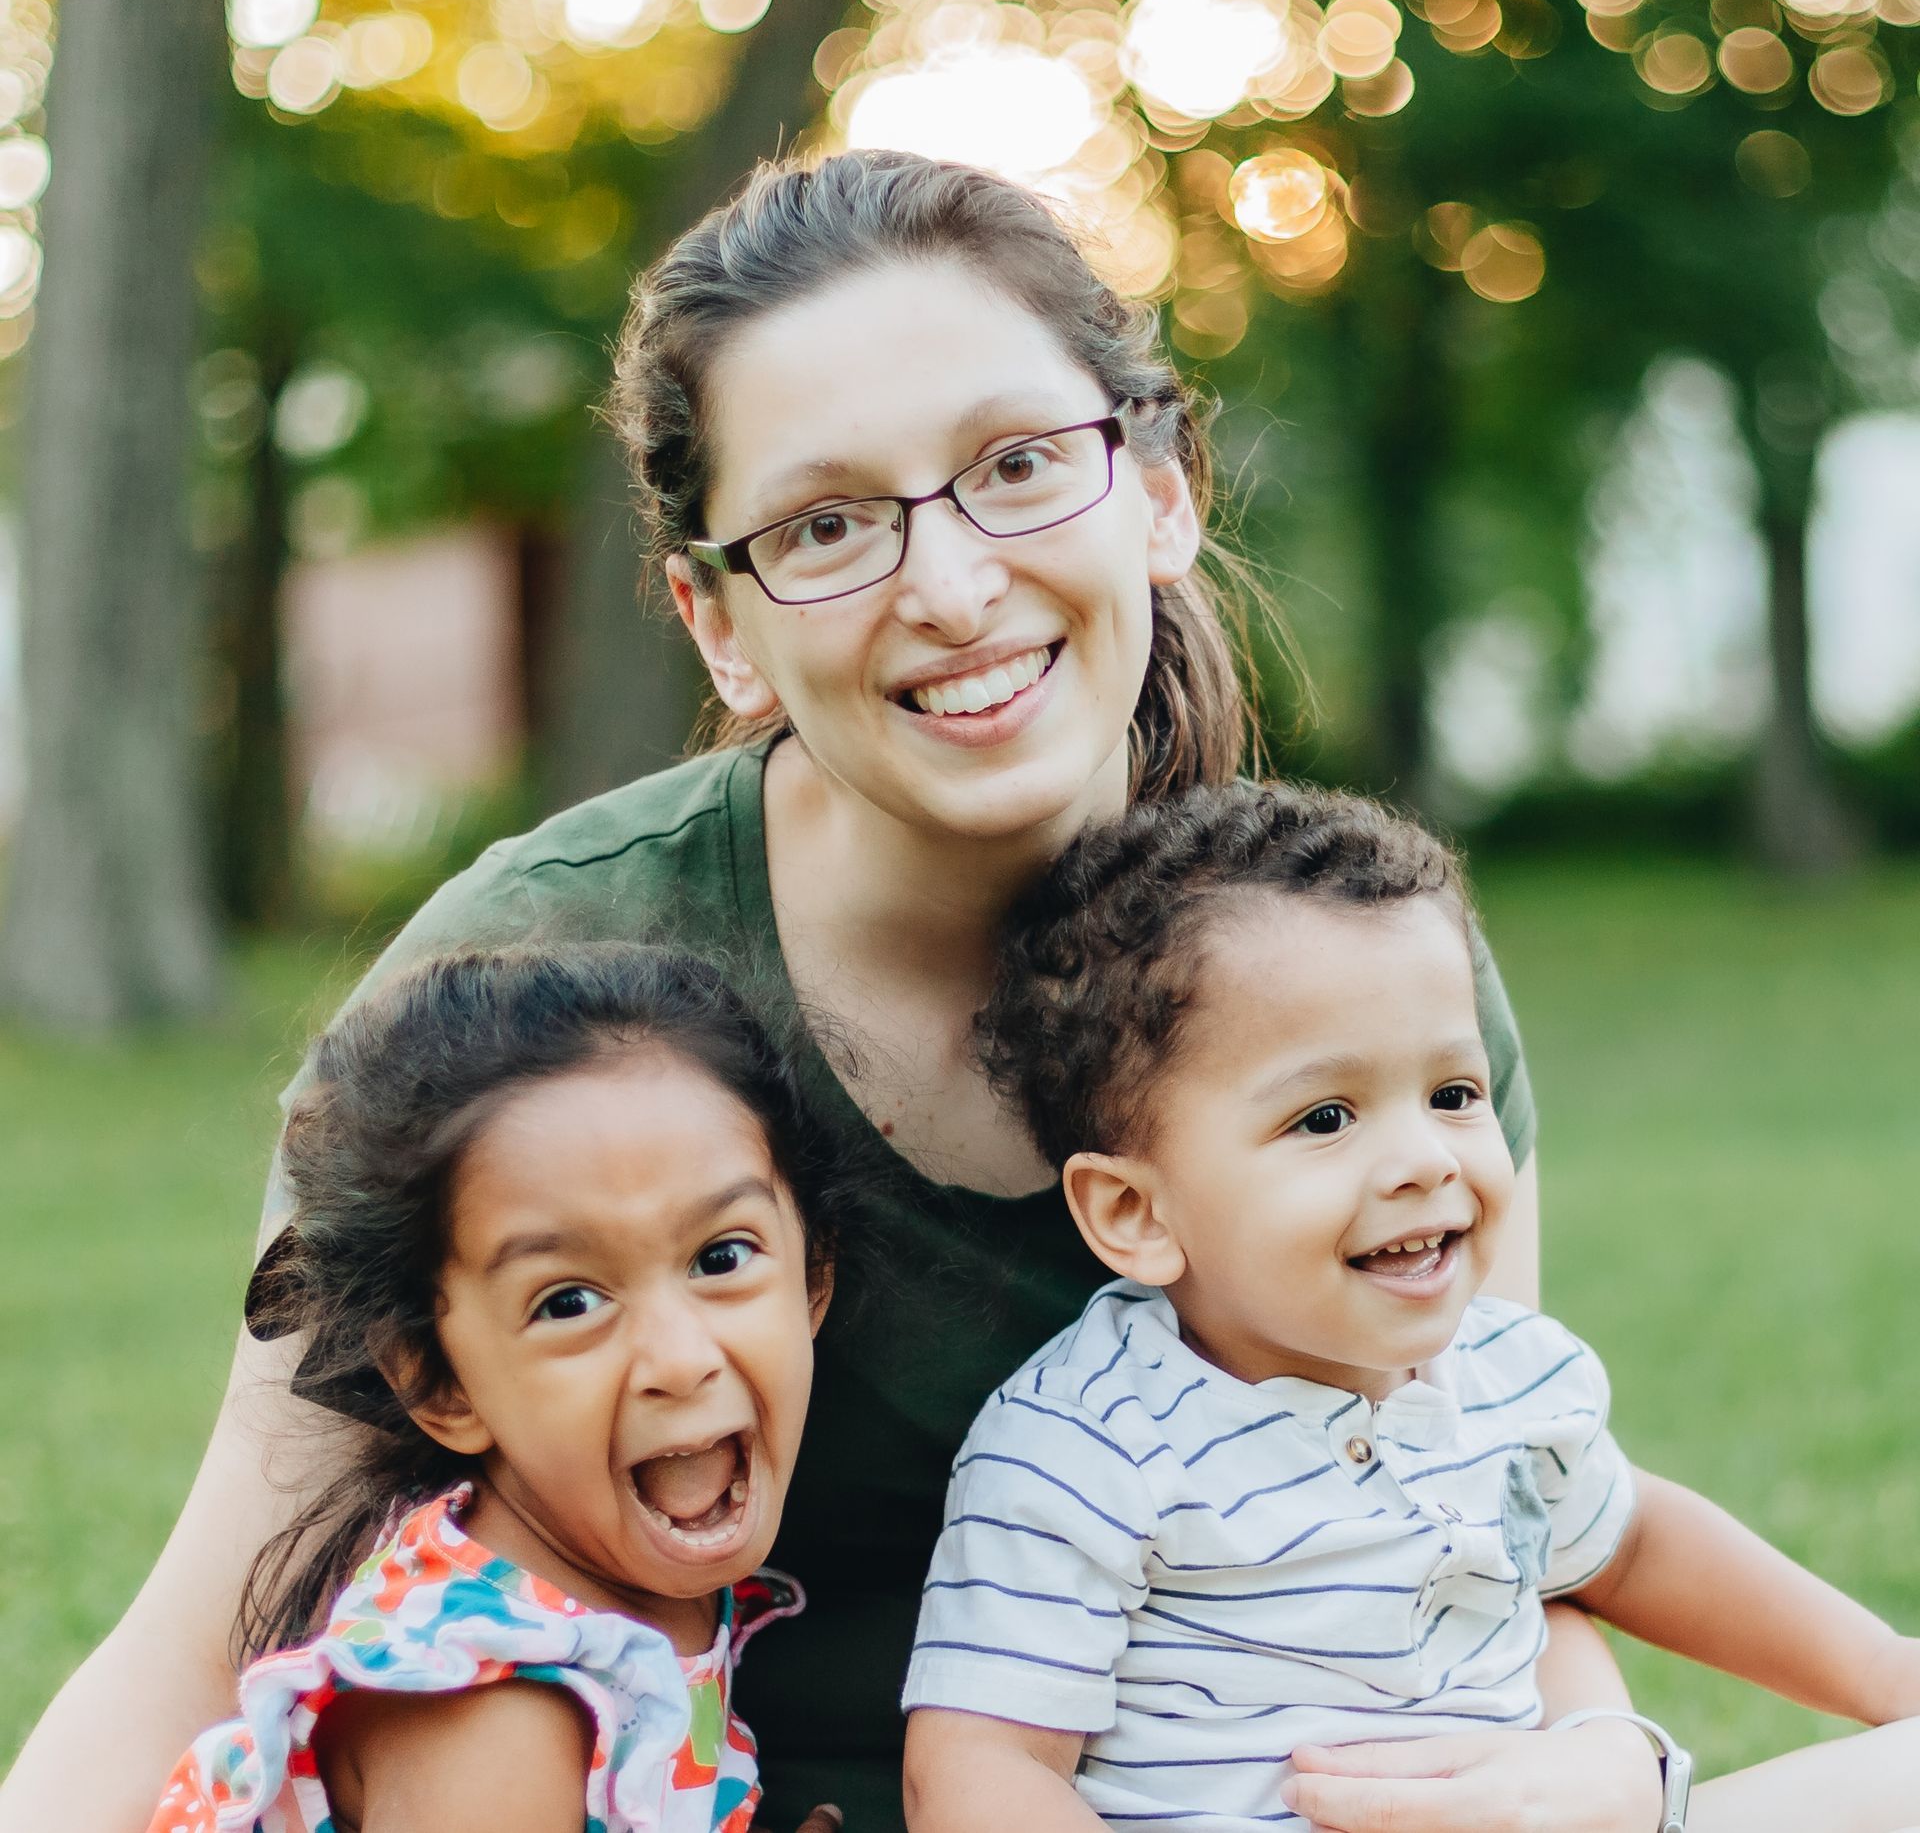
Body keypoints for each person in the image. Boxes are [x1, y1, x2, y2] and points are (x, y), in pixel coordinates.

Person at [3, 151, 1663, 1833]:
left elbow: (1492, 1501)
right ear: (718, 626)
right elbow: (211, 1633)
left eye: (1018, 465)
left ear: (1158, 486)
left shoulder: (1354, 978)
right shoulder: (531, 991)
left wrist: (1602, 1756)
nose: (949, 589)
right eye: (826, 526)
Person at [902, 781, 1920, 1833]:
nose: (1425, 1159)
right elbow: (977, 1770)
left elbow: (1636, 1543)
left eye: (1453, 1094)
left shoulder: (1510, 1373)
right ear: (1135, 1210)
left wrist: (1888, 1670)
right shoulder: (1087, 1443)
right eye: (1327, 1115)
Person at [147, 943, 844, 1833]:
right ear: (441, 1384)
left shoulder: (615, 1594)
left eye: (721, 1257)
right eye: (569, 1302)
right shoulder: (491, 1712)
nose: (679, 1357)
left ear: (814, 1274)